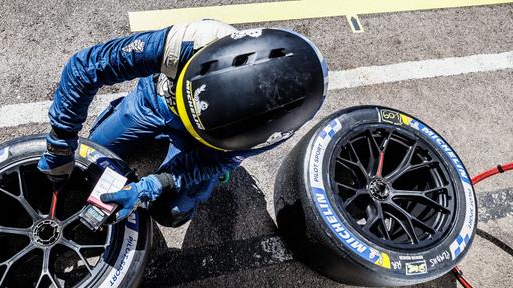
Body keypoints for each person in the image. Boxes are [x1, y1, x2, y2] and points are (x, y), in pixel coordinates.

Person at [37, 20, 328, 227]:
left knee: (172, 212)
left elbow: (214, 161)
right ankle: (126, 114)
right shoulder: (195, 39)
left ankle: (193, 157)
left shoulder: (273, 128)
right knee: (90, 156)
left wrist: (152, 184)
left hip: (202, 146)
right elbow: (86, 67)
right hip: (154, 101)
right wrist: (61, 142)